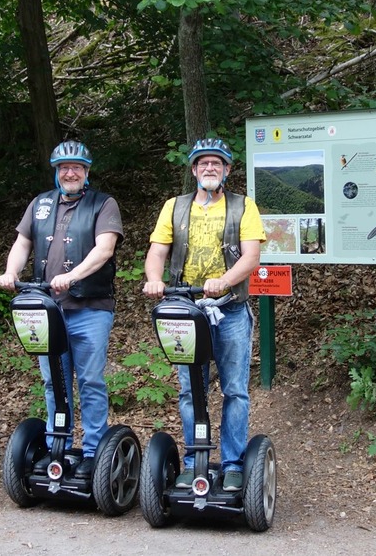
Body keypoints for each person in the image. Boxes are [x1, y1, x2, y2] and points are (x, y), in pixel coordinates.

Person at [142, 137, 265, 493]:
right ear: (194, 170)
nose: (209, 168)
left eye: (217, 163)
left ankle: (232, 464)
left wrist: (224, 282)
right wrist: (154, 281)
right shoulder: (175, 207)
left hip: (230, 310)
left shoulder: (244, 206)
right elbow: (157, 252)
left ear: (226, 170)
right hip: (185, 310)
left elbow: (251, 257)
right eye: (203, 163)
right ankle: (195, 458)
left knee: (235, 390)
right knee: (188, 389)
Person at [0, 141, 122, 480]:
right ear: (56, 171)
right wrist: (11, 272)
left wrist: (72, 276)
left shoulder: (103, 204)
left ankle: (95, 452)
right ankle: (59, 446)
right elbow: (22, 244)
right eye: (64, 167)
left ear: (87, 171)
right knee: (54, 381)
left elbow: (105, 248)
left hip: (90, 308)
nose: (70, 172)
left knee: (91, 380)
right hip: (48, 309)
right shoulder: (40, 204)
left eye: (77, 167)